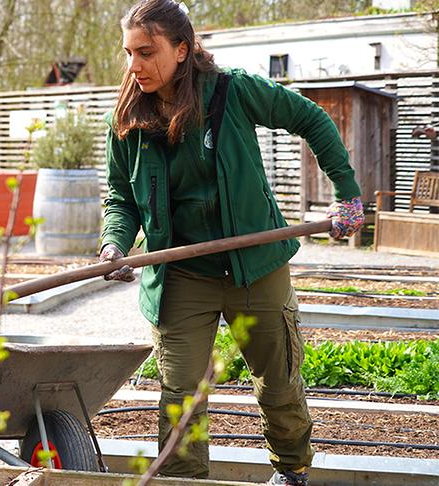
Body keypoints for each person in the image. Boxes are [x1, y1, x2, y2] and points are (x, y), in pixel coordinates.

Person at [98, 1, 363, 485]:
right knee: (181, 399)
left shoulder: (232, 91)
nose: (134, 65)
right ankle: (184, 482)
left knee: (279, 383)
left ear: (181, 50)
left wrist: (346, 196)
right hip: (182, 277)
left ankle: (291, 473)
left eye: (146, 52)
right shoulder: (128, 117)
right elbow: (121, 195)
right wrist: (114, 243)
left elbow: (314, 121)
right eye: (128, 52)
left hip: (254, 267)